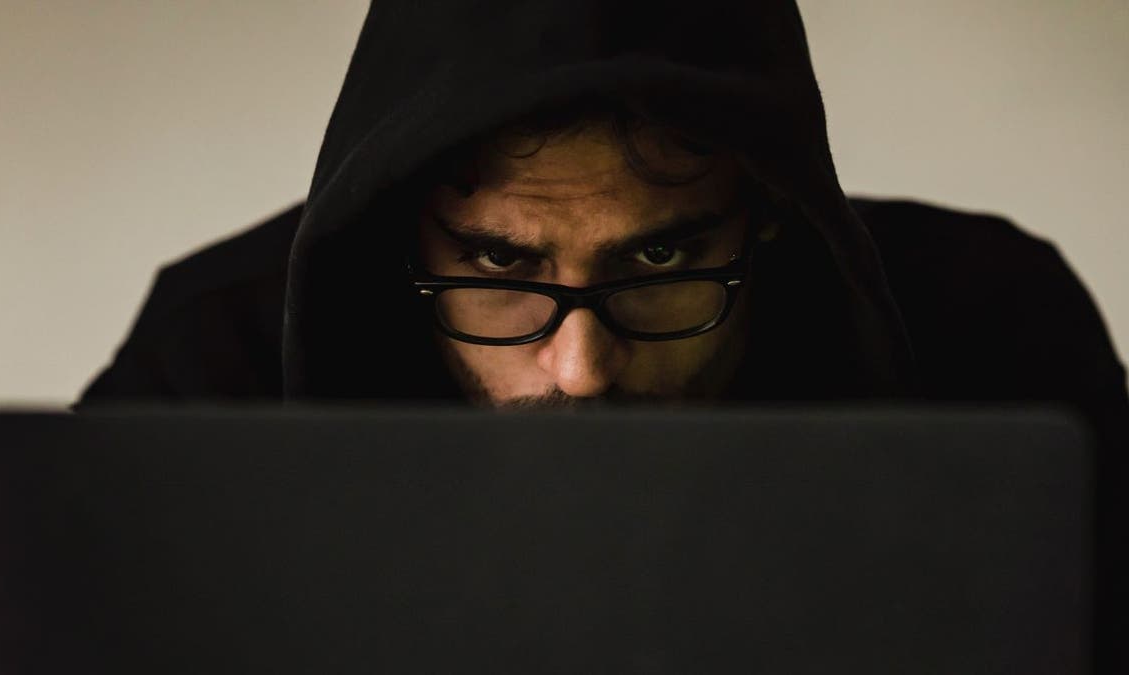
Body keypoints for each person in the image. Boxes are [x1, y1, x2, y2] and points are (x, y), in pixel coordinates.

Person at [72, 0, 1127, 670]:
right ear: (399, 228)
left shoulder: (992, 332)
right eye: (499, 266)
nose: (580, 371)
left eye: (662, 261)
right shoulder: (212, 371)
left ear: (768, 210)